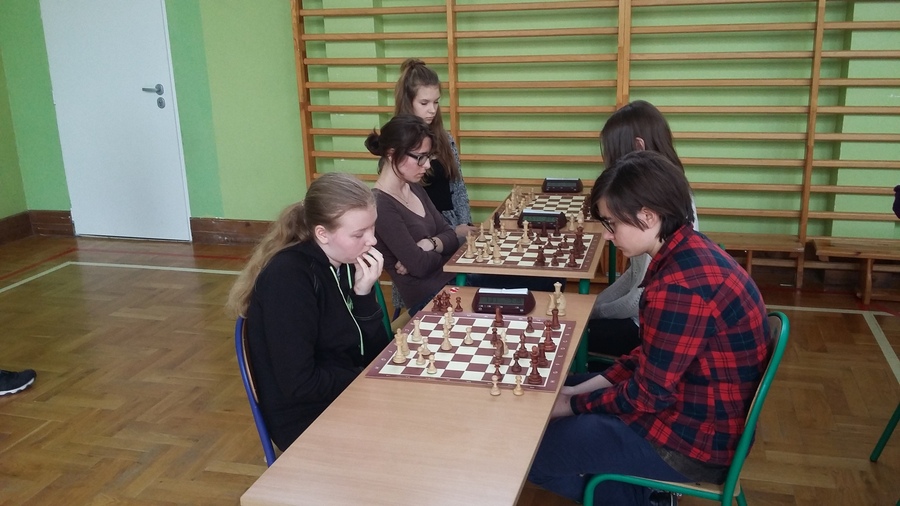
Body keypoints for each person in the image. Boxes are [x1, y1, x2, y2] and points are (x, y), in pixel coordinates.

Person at [527, 151, 770, 505]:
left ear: (648, 215)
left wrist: (573, 405)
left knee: (532, 453)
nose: (607, 235)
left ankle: (643, 499)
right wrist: (575, 392)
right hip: (701, 413)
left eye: (612, 223)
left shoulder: (679, 288)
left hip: (694, 443)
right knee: (563, 389)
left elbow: (649, 395)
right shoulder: (690, 250)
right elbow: (649, 358)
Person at [226, 172, 390, 451]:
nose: (372, 240)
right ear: (322, 234)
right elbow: (300, 384)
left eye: (372, 227)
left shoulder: (346, 263)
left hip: (347, 392)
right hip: (307, 418)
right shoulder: (288, 279)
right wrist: (365, 376)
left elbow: (375, 352)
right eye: (359, 234)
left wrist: (363, 295)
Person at [588, 100, 700, 360]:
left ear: (638, 148)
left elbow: (639, 299)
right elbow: (635, 277)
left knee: (568, 336)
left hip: (645, 327)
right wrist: (594, 306)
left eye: (614, 157)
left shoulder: (659, 207)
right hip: (644, 319)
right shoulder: (649, 198)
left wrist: (593, 312)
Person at [366, 115, 459, 316]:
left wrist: (429, 244)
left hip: (453, 283)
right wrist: (441, 251)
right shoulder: (380, 204)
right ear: (392, 154)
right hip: (429, 300)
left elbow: (451, 236)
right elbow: (419, 266)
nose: (427, 165)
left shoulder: (415, 188)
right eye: (420, 157)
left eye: (428, 156)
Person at [394, 58, 475, 239]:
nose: (432, 110)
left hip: (453, 226)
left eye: (436, 102)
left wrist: (464, 224)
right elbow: (403, 205)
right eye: (424, 103)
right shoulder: (397, 144)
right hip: (423, 232)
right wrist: (450, 232)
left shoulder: (446, 139)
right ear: (408, 102)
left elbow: (458, 187)